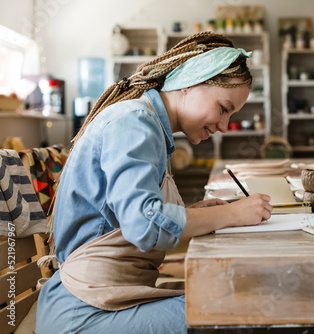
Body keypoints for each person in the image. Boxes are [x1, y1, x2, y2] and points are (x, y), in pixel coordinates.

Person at [36, 32, 272, 334]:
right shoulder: (133, 122)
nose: (225, 126)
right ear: (189, 83)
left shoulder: (148, 126)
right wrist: (231, 214)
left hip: (108, 296)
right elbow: (145, 226)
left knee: (234, 294)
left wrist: (198, 212)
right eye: (224, 108)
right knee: (242, 309)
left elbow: (127, 220)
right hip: (85, 310)